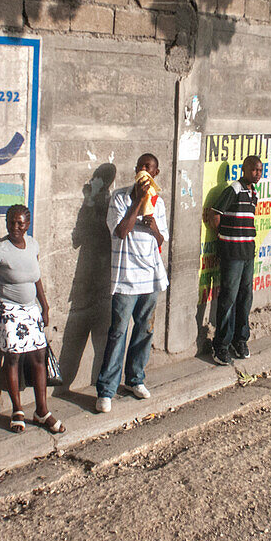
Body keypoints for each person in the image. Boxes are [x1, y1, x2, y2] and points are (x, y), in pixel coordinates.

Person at [0, 204, 65, 434]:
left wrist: (44, 306)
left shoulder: (33, 244)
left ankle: (42, 410)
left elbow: (37, 278)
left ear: (28, 225)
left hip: (30, 309)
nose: (15, 227)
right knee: (13, 358)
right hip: (9, 309)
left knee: (38, 357)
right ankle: (17, 410)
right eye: (11, 222)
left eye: (20, 223)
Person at [94, 154, 168, 413]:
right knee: (118, 333)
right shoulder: (121, 198)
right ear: (136, 171)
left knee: (144, 331)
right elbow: (121, 231)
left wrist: (154, 226)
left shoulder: (159, 203)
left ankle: (135, 379)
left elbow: (161, 240)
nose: (144, 171)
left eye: (149, 168)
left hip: (150, 278)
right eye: (141, 167)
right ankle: (106, 390)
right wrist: (138, 202)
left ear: (156, 173)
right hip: (125, 279)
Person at [204, 155, 262, 365]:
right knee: (228, 297)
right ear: (244, 170)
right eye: (254, 170)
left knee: (245, 297)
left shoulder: (253, 192)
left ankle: (240, 339)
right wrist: (225, 238)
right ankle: (221, 345)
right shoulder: (234, 189)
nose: (258, 173)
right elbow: (215, 214)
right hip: (232, 253)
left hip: (247, 252)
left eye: (260, 170)